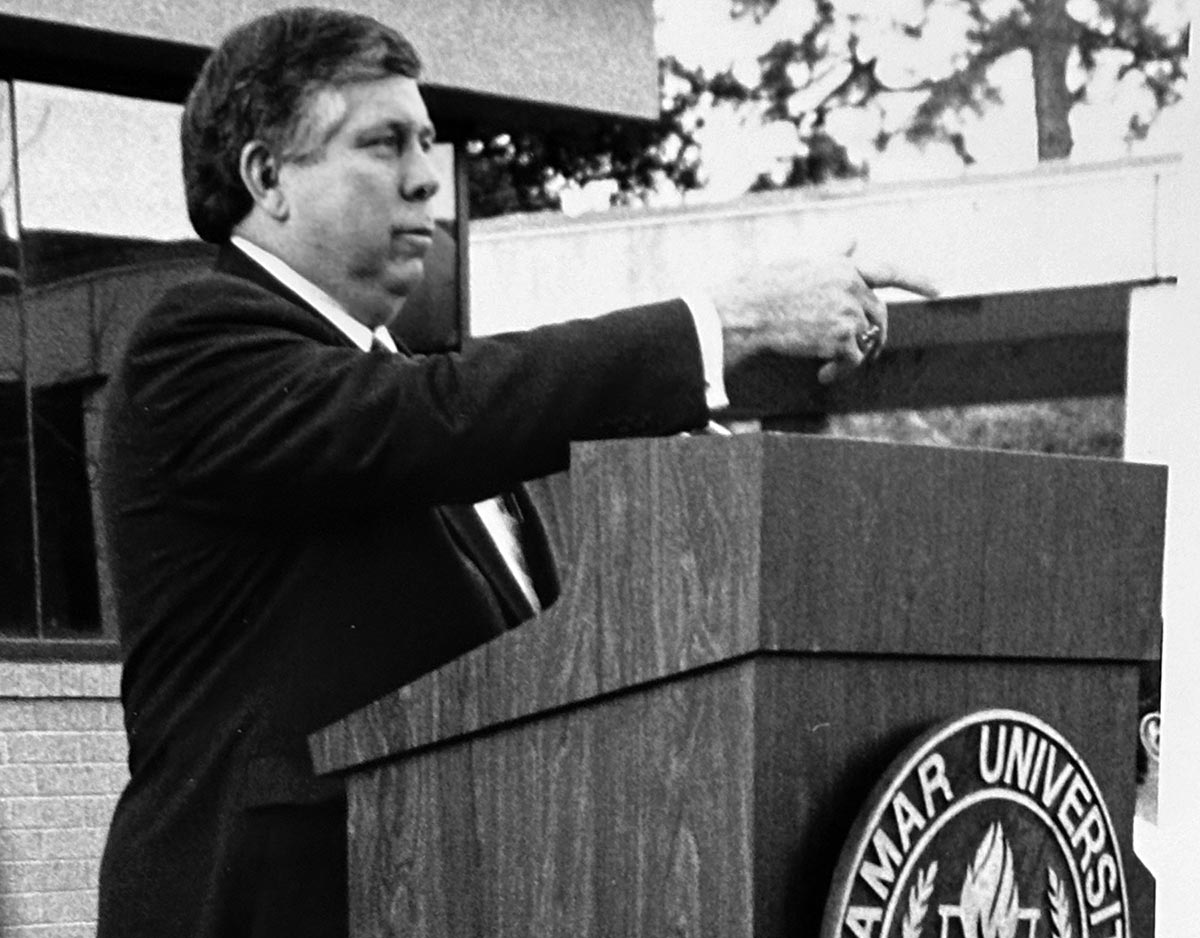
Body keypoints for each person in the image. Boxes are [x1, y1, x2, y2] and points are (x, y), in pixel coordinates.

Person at [95, 8, 936, 937]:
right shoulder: (198, 341)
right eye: (384, 144)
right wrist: (721, 324)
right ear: (266, 178)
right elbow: (443, 420)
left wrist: (740, 365)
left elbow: (461, 432)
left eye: (427, 141)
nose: (426, 177)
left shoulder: (395, 393)